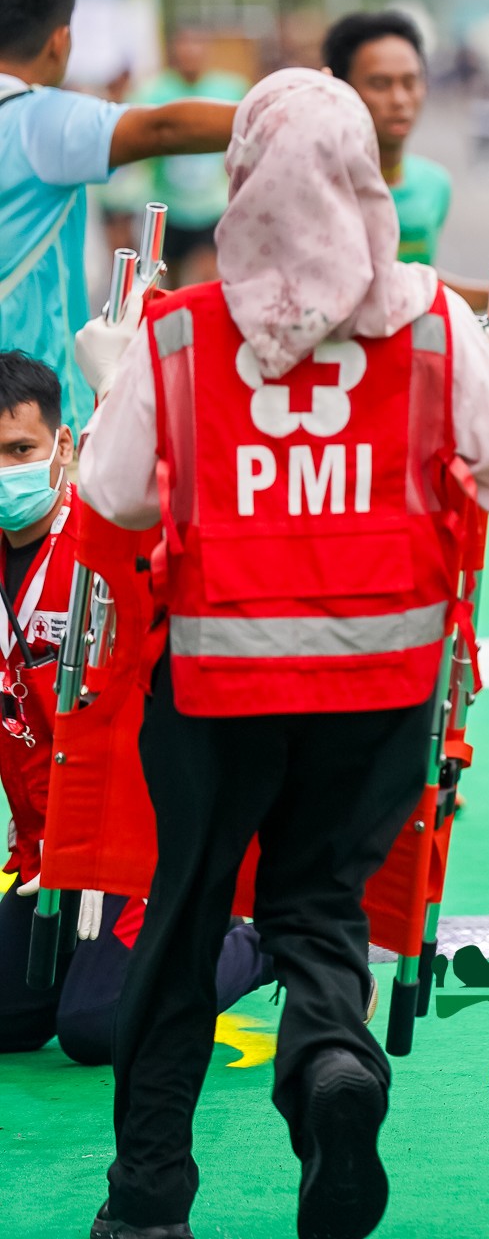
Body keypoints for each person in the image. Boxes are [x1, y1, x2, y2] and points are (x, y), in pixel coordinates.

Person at [74, 70, 489, 1239]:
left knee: (185, 919)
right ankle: (334, 1062)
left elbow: (113, 495)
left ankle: (149, 1195)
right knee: (320, 902)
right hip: (379, 684)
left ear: (241, 179)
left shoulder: (180, 332)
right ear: (366, 183)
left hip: (216, 685)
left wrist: (116, 379)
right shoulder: (434, 324)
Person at [0, 351, 271, 1066]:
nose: (4, 472)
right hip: (47, 853)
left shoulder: (111, 546)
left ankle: (272, 937)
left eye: (19, 450)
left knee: (98, 1027)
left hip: (139, 839)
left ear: (64, 444)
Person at [0, 0, 239, 434]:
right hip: (34, 416)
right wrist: (293, 106)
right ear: (59, 40)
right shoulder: (42, 118)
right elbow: (162, 130)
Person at [323, 9, 489, 317]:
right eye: (380, 83)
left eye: (410, 81)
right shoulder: (320, 189)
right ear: (337, 87)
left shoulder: (433, 184)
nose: (399, 99)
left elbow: (414, 284)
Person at [134, 27, 250, 288]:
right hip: (168, 206)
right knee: (171, 280)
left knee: (207, 276)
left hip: (211, 206)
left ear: (206, 50)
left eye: (196, 45)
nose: (190, 53)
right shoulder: (154, 92)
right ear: (174, 51)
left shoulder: (230, 90)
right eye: (184, 46)